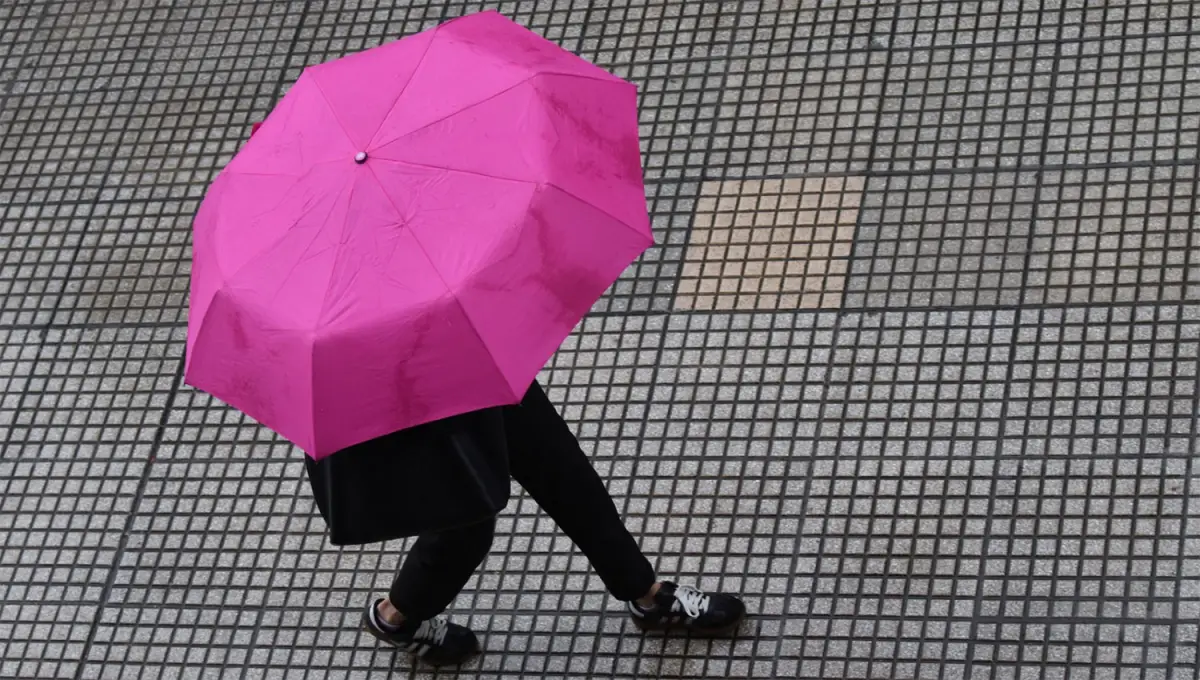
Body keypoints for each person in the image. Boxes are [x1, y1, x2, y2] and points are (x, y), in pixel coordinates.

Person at [304, 381, 746, 666]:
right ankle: (396, 616)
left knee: (568, 477)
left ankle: (646, 595)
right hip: (409, 411)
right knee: (467, 529)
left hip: (475, 369)